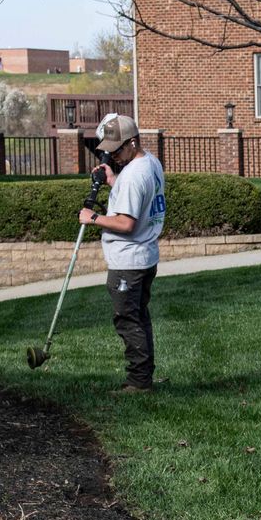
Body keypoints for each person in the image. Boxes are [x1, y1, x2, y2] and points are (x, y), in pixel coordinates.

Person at [78, 112, 166, 393]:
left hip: (128, 259)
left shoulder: (133, 176)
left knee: (128, 320)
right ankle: (145, 376)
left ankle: (139, 383)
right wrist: (112, 179)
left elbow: (126, 223)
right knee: (139, 317)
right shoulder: (150, 163)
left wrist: (92, 218)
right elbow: (136, 201)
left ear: (132, 143)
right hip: (145, 256)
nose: (112, 156)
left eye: (116, 151)